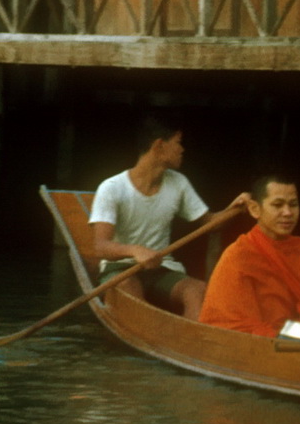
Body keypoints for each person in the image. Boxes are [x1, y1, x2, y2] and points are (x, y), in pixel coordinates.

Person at [90, 114, 249, 320]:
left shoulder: (178, 183)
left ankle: (189, 337)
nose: (182, 149)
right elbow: (100, 246)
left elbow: (210, 223)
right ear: (159, 146)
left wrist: (235, 207)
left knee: (198, 290)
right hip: (120, 271)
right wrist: (135, 251)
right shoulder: (112, 188)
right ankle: (149, 328)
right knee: (128, 288)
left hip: (162, 268)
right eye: (178, 142)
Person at [199, 174, 300, 337]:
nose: (288, 213)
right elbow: (229, 324)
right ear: (255, 209)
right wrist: (277, 339)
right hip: (258, 344)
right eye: (278, 205)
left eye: (293, 205)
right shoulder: (239, 255)